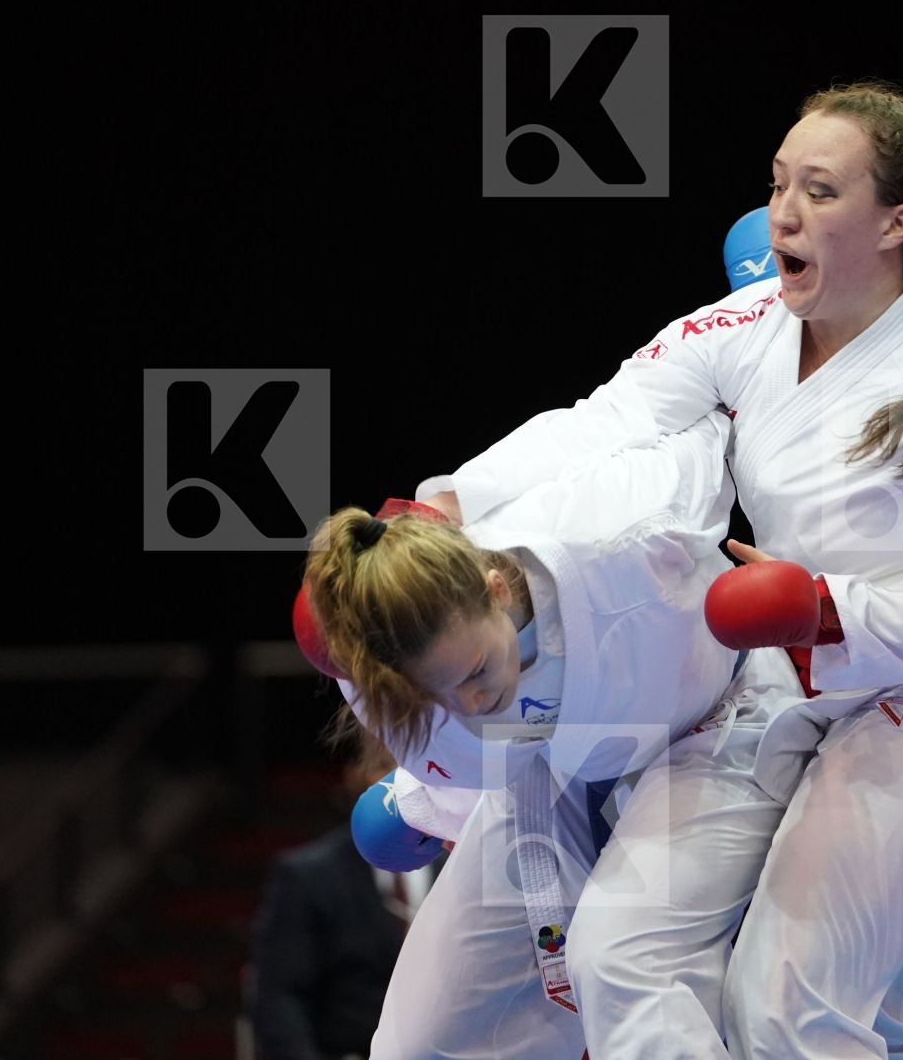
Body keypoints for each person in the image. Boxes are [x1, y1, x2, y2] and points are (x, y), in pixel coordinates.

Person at [419, 79, 903, 1056]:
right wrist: (452, 509)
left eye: (819, 190)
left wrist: (827, 609)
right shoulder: (744, 328)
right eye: (777, 184)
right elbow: (606, 424)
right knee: (621, 955)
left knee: (787, 1003)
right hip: (779, 685)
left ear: (896, 222)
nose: (783, 213)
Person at [301, 416, 802, 1059]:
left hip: (709, 732)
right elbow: (471, 749)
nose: (471, 703)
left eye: (476, 671)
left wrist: (822, 585)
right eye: (441, 692)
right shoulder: (382, 679)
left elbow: (701, 410)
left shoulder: (622, 531)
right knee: (416, 1041)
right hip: (553, 773)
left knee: (623, 967)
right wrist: (421, 801)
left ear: (496, 589)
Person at [249, 742, 441, 1060]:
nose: (402, 779)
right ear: (355, 775)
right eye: (385, 765)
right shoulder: (308, 876)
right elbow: (279, 996)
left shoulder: (459, 864)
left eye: (413, 765)